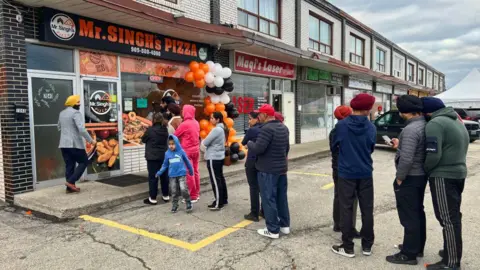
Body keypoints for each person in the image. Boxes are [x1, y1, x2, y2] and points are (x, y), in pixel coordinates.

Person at [421, 97, 469, 270]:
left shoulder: (435, 123)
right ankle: (451, 251)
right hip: (458, 173)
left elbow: (433, 154)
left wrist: (426, 169)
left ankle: (451, 263)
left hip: (443, 175)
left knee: (448, 219)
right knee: (453, 215)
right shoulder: (455, 120)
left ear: (427, 112)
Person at [331, 93, 376, 258]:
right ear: (368, 109)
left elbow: (335, 146)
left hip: (346, 172)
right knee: (367, 209)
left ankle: (348, 246)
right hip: (365, 172)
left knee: (346, 208)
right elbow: (371, 147)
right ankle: (367, 245)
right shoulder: (371, 127)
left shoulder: (341, 126)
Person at [385, 95, 427, 265]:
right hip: (420, 176)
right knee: (417, 212)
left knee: (408, 215)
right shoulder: (423, 124)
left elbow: (407, 159)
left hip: (410, 177)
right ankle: (416, 246)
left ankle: (408, 254)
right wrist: (400, 144)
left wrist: (400, 178)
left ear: (404, 112)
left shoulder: (410, 130)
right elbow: (414, 150)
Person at [248, 104, 290, 239]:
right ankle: (284, 226)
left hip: (267, 169)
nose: (258, 116)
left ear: (265, 115)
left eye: (260, 114)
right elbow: (286, 148)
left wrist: (249, 143)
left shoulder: (266, 129)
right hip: (281, 169)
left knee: (268, 198)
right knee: (281, 198)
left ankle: (272, 229)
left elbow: (258, 148)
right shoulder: (283, 128)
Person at [329, 105, 360, 237]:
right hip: (347, 168)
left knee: (338, 195)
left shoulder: (335, 130)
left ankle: (338, 223)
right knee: (351, 197)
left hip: (337, 167)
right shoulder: (348, 130)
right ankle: (349, 227)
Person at [58, 95, 95, 193]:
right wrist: (91, 140)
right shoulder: (76, 113)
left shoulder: (62, 113)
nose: (79, 104)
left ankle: (69, 188)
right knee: (84, 162)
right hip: (74, 144)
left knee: (69, 165)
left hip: (63, 144)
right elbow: (82, 129)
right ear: (73, 103)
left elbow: (59, 127)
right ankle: (70, 182)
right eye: (78, 103)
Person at [156, 135, 194, 213]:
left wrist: (191, 170)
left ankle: (188, 202)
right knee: (173, 191)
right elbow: (165, 164)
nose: (171, 146)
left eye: (173, 144)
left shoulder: (181, 151)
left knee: (183, 189)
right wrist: (159, 172)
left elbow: (187, 161)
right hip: (172, 175)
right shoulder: (167, 153)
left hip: (181, 174)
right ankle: (175, 204)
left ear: (177, 143)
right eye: (169, 144)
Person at [201, 112, 228, 211]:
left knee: (215, 181)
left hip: (213, 157)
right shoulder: (223, 128)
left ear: (218, 119)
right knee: (220, 178)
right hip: (219, 156)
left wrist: (203, 141)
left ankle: (218, 202)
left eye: (212, 118)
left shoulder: (216, 129)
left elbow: (206, 142)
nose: (210, 120)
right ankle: (223, 199)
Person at [142, 112, 170, 205]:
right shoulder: (165, 130)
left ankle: (153, 198)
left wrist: (146, 131)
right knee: (164, 177)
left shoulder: (150, 130)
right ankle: (166, 195)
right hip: (164, 156)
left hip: (152, 157)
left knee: (153, 177)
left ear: (153, 120)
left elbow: (143, 140)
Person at [174, 105, 201, 202]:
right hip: (196, 150)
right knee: (195, 172)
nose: (182, 112)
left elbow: (175, 135)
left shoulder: (184, 124)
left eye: (183, 110)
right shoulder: (196, 122)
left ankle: (192, 196)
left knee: (189, 174)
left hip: (187, 152)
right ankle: (197, 193)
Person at [242, 111, 263, 221]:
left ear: (257, 119)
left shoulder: (252, 130)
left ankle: (254, 213)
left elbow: (243, 142)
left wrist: (249, 143)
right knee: (263, 187)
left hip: (252, 161)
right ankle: (263, 211)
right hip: (263, 161)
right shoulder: (265, 129)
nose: (249, 121)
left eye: (250, 119)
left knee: (254, 187)